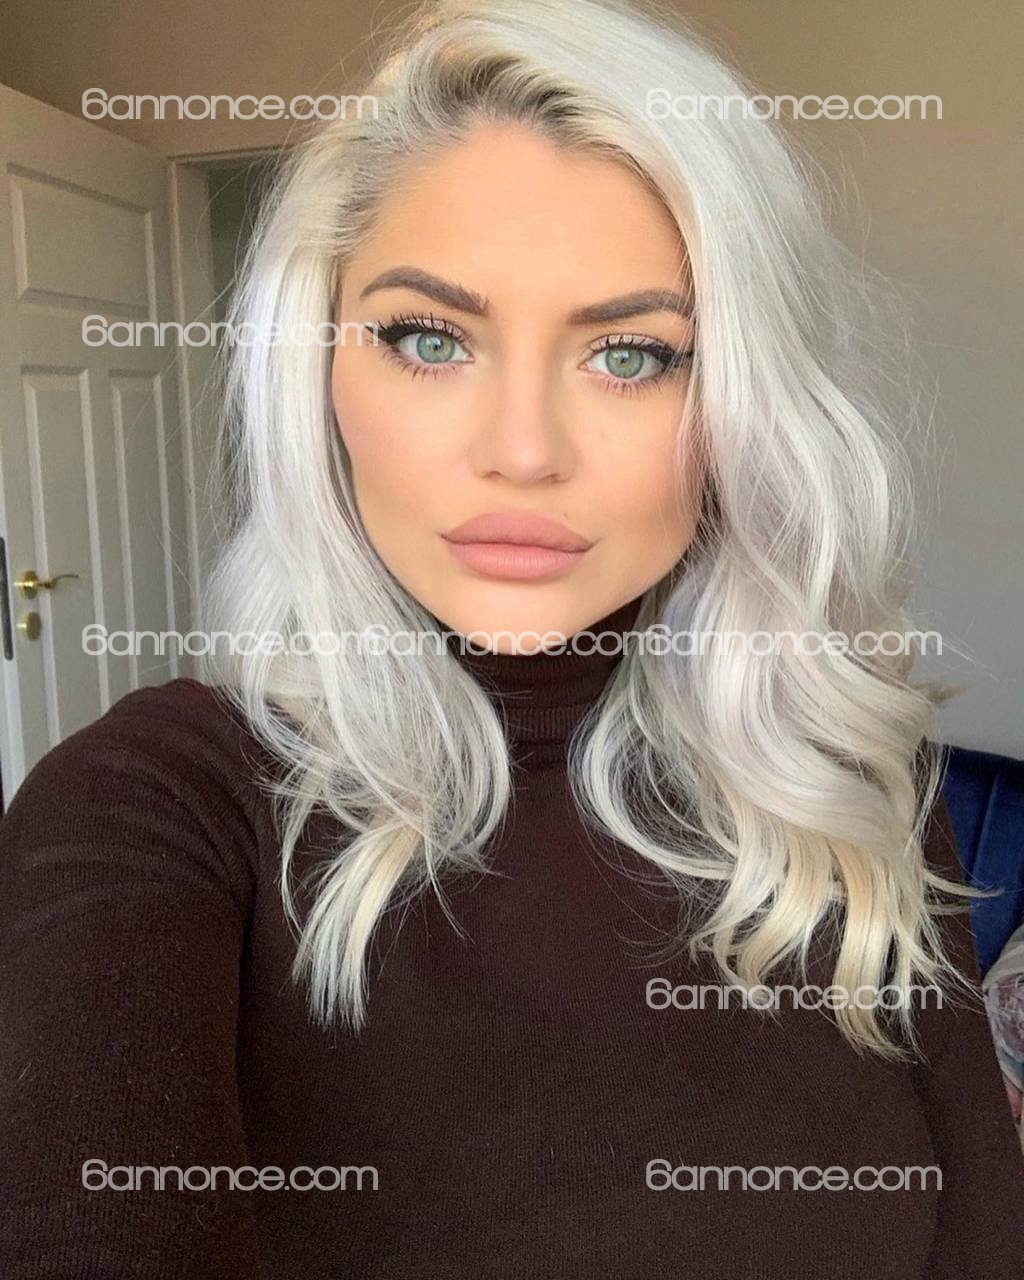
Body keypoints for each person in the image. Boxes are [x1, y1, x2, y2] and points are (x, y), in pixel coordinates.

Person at [1, 0, 1020, 1274]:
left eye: (632, 354)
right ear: (315, 374)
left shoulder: (848, 772)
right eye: (429, 339)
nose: (523, 451)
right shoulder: (153, 805)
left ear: (746, 404)